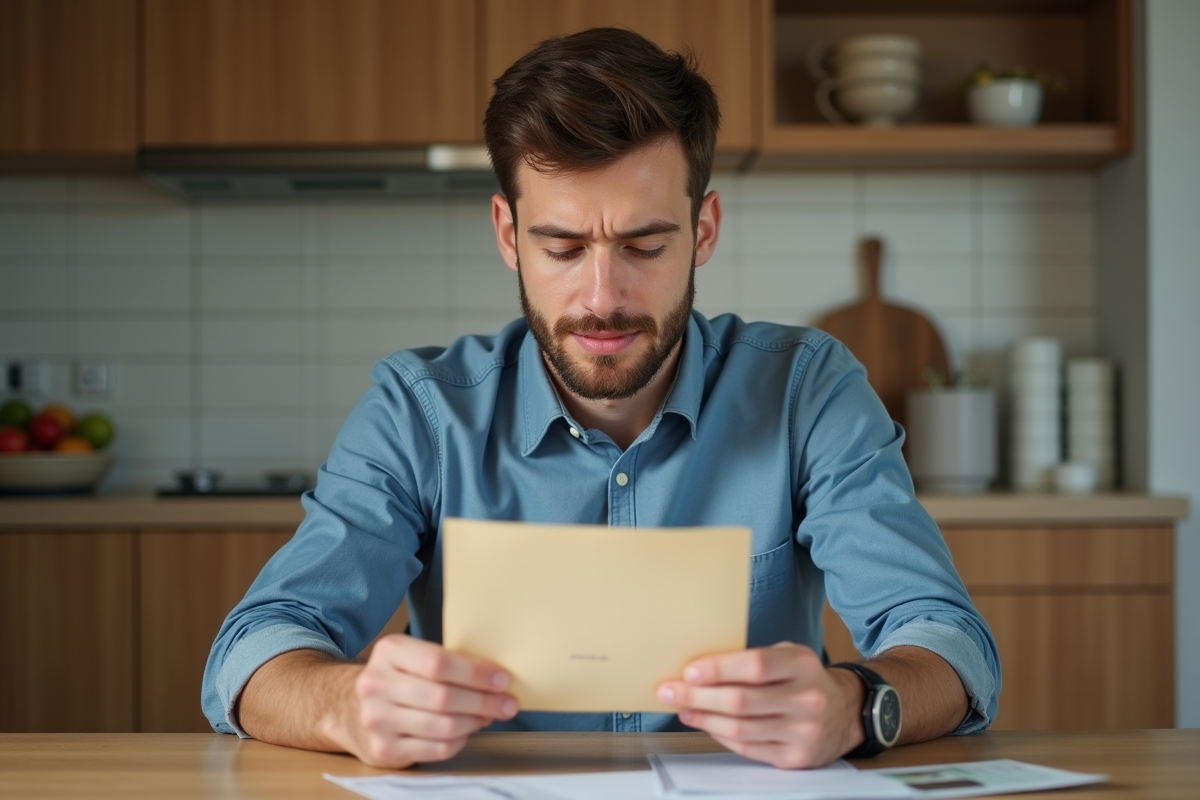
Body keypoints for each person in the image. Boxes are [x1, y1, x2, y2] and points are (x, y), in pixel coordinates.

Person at [202, 28, 1000, 771]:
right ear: (508, 234)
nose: (602, 297)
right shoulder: (420, 413)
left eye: (644, 246)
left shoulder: (807, 391)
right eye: (563, 247)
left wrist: (858, 706)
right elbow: (253, 650)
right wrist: (343, 705)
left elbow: (949, 644)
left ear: (705, 230)